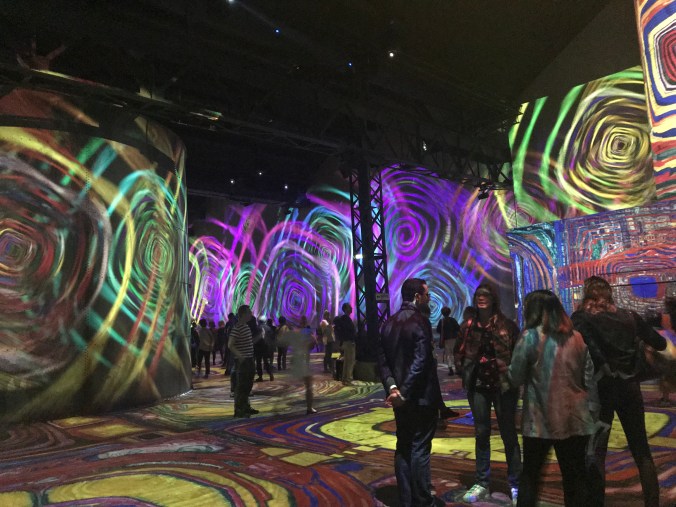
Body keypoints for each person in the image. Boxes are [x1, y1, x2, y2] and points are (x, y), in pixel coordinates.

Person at [571, 276, 666, 507]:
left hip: (600, 391)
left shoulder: (581, 318)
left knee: (597, 451)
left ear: (587, 294)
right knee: (641, 450)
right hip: (629, 388)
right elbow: (660, 343)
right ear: (610, 294)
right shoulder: (629, 316)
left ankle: (597, 503)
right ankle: (652, 502)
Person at [503, 290, 597, 507]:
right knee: (574, 476)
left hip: (541, 420)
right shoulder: (576, 337)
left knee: (531, 476)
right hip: (575, 418)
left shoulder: (530, 337)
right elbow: (588, 377)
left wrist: (504, 371)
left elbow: (516, 377)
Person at [377, 278, 443, 507]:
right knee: (420, 449)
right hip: (421, 397)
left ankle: (407, 500)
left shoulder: (388, 323)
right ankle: (422, 501)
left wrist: (393, 388)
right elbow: (421, 360)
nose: (429, 299)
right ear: (417, 297)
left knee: (403, 446)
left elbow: (383, 361)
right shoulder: (420, 321)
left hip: (399, 400)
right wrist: (404, 392)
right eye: (427, 295)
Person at [455, 283, 521, 504]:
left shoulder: (507, 325)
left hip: (503, 386)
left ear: (493, 299)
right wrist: (463, 370)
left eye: (485, 295)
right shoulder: (468, 326)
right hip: (478, 386)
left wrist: (512, 376)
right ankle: (482, 482)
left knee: (508, 433)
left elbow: (517, 353)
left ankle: (516, 483)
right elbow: (458, 352)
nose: (481, 298)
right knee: (481, 433)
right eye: (478, 295)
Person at [228, 305, 259, 418]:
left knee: (248, 385)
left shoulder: (246, 327)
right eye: (249, 312)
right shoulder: (238, 328)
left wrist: (259, 337)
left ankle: (246, 407)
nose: (251, 314)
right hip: (243, 362)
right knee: (241, 386)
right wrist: (240, 356)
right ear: (243, 314)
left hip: (249, 359)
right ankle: (239, 410)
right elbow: (230, 344)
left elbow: (249, 342)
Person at [334, 303, 357, 384]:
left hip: (346, 342)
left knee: (347, 361)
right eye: (350, 307)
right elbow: (349, 331)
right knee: (350, 361)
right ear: (346, 309)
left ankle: (345, 378)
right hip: (349, 342)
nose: (351, 308)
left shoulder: (344, 319)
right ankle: (347, 379)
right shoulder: (346, 319)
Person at [437, 306, 460, 376]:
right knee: (455, 354)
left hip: (446, 340)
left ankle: (450, 369)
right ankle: (457, 368)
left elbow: (438, 330)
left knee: (448, 355)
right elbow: (458, 328)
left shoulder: (442, 321)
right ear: (449, 312)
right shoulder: (453, 320)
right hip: (454, 339)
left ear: (442, 313)